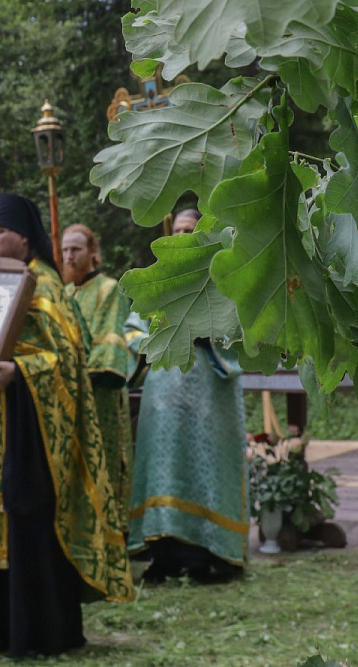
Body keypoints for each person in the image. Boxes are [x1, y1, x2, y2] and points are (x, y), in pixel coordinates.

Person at [0, 193, 133, 657]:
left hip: (25, 437)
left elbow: (68, 363)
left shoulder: (46, 285)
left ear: (24, 237)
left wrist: (18, 372)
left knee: (22, 525)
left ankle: (32, 629)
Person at [126, 208, 250, 583]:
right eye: (177, 230)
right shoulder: (159, 277)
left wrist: (208, 332)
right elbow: (132, 328)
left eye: (190, 230)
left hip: (209, 388)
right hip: (164, 391)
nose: (182, 236)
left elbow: (242, 329)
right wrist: (154, 338)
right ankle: (163, 555)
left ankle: (205, 555)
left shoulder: (224, 276)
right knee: (164, 469)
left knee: (205, 469)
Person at [61, 224, 134, 521]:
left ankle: (110, 527)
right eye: (65, 250)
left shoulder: (109, 288)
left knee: (103, 458)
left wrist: (81, 376)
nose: (69, 256)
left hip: (101, 391)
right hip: (69, 393)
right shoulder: (65, 292)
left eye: (76, 249)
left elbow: (109, 341)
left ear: (93, 252)